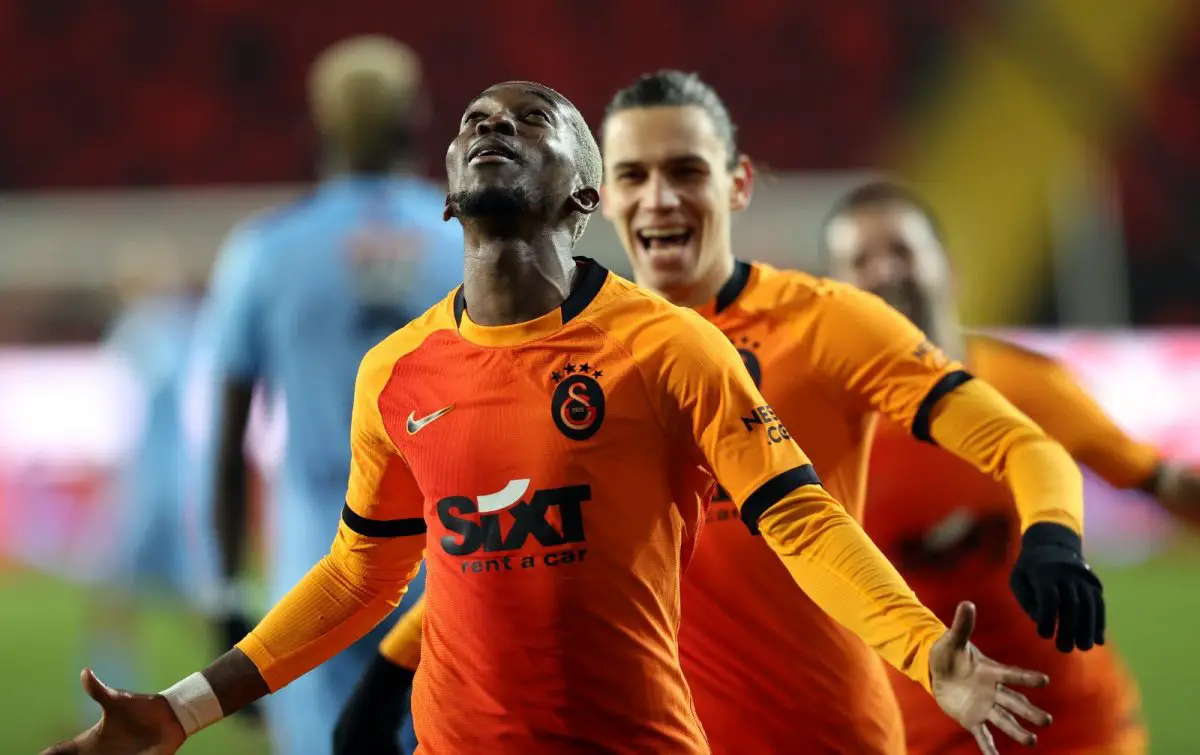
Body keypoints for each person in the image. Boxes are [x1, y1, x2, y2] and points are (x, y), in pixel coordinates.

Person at [42, 79, 1052, 755]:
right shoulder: (396, 371)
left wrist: (924, 651)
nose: (494, 124)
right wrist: (183, 709)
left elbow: (802, 519)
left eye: (531, 119)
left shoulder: (670, 347)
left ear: (584, 196)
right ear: (447, 195)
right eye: (476, 119)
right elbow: (361, 572)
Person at [336, 70, 1103, 755]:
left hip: (823, 736)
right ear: (600, 194)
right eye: (635, 175)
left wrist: (1053, 535)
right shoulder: (571, 357)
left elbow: (1021, 443)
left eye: (686, 171)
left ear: (737, 185)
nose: (660, 197)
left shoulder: (830, 323)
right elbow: (519, 547)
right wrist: (390, 674)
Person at [824, 179, 1200, 755]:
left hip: (1079, 729)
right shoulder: (822, 433)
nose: (885, 270)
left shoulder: (1028, 385)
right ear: (833, 296)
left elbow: (1159, 481)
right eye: (861, 260)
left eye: (901, 250)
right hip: (929, 739)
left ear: (950, 270)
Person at [200, 35, 460, 755]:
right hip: (450, 558)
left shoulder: (264, 251)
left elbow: (228, 443)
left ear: (317, 125)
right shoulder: (468, 244)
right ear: (417, 118)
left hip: (318, 568)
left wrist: (225, 593)